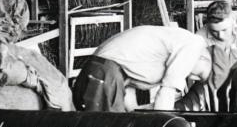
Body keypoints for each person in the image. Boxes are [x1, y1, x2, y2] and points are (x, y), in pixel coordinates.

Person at [73, 24, 211, 111]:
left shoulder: (175, 45)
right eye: (199, 75)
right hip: (105, 74)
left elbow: (129, 92)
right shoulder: (194, 45)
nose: (192, 78)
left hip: (102, 72)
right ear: (204, 57)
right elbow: (166, 96)